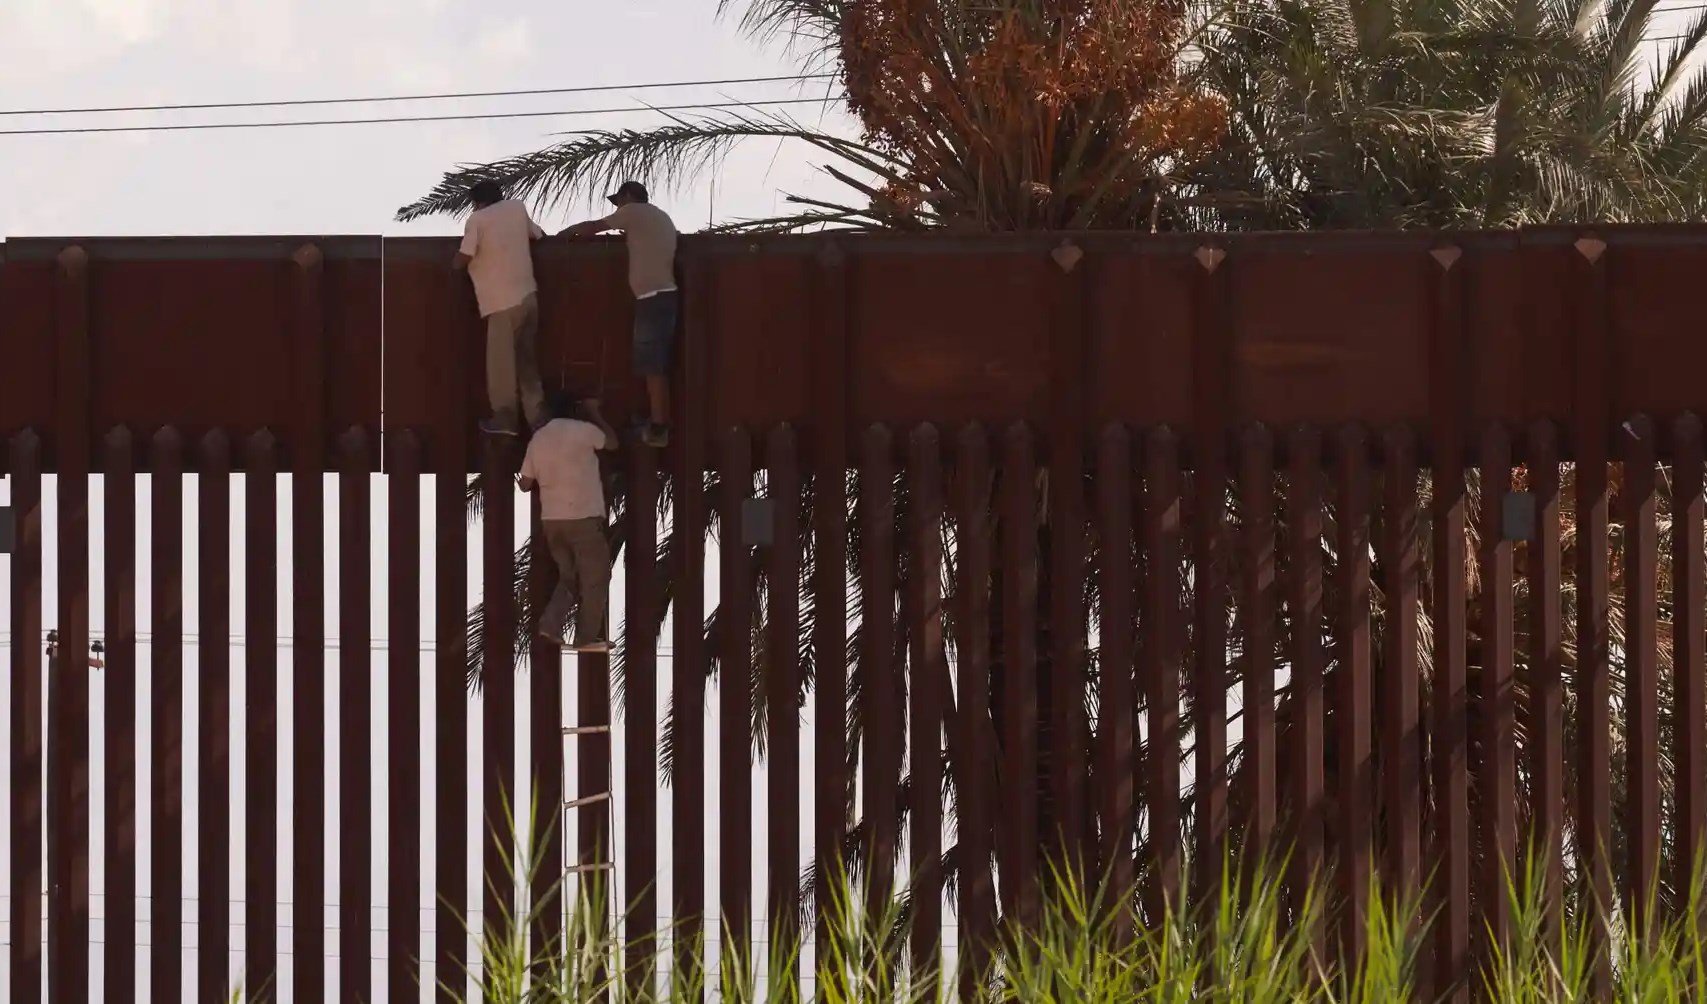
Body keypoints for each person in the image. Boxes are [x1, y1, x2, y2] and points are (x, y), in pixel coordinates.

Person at [559, 181, 679, 448]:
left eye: (618, 202)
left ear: (628, 196)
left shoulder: (634, 211)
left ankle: (659, 427)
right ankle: (656, 421)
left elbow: (595, 227)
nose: (618, 208)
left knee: (652, 366)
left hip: (653, 297)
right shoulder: (659, 217)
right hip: (661, 295)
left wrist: (566, 233)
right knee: (653, 364)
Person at [519, 391, 620, 653]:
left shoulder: (538, 439)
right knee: (596, 578)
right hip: (583, 517)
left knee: (570, 578)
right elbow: (611, 442)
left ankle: (551, 624)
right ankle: (586, 637)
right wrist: (595, 413)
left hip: (553, 521)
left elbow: (525, 483)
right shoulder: (583, 430)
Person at [454, 180, 548, 437]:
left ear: (477, 202)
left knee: (501, 365)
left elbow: (465, 256)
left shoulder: (477, 219)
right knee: (526, 360)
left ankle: (505, 417)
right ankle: (537, 416)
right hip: (529, 295)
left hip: (500, 301)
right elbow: (538, 234)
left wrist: (452, 266)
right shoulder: (517, 208)